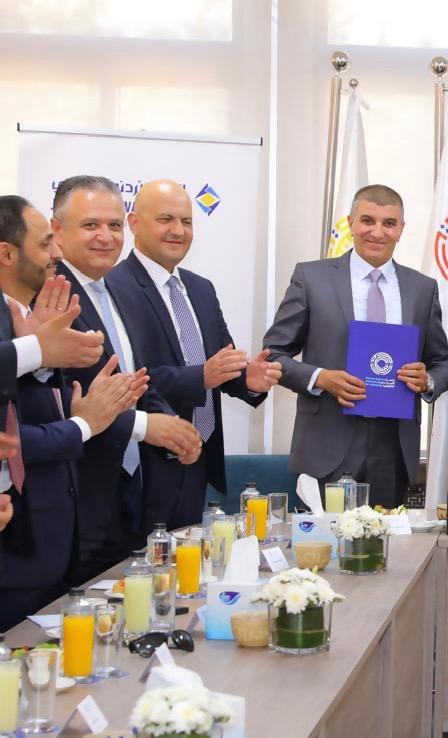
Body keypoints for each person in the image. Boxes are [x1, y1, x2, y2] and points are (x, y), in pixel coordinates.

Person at [0, 195, 143, 629]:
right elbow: (15, 438)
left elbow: (26, 403)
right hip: (17, 548)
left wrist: (60, 386)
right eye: (46, 243)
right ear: (7, 253)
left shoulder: (28, 313)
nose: (57, 252)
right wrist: (84, 424)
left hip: (51, 541)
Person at [264, 184, 448, 508]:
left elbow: (444, 364)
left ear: (401, 230)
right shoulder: (312, 278)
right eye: (368, 220)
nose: (377, 232)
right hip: (327, 443)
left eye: (389, 223)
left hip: (394, 449)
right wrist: (321, 378)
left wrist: (427, 380)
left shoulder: (422, 288)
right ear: (351, 223)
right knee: (325, 540)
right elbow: (274, 354)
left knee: (387, 540)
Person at [50, 176, 204, 577]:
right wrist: (144, 425)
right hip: (73, 497)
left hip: (128, 492)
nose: (106, 237)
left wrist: (169, 423)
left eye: (114, 225)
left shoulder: (118, 290)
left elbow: (136, 377)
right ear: (57, 230)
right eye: (91, 225)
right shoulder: (47, 296)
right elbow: (52, 400)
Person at [107, 180, 279, 529]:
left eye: (186, 221)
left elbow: (220, 362)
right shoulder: (113, 286)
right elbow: (125, 376)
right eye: (166, 219)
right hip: (142, 463)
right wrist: (199, 376)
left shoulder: (201, 288)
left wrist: (248, 379)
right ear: (134, 223)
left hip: (198, 459)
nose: (178, 230)